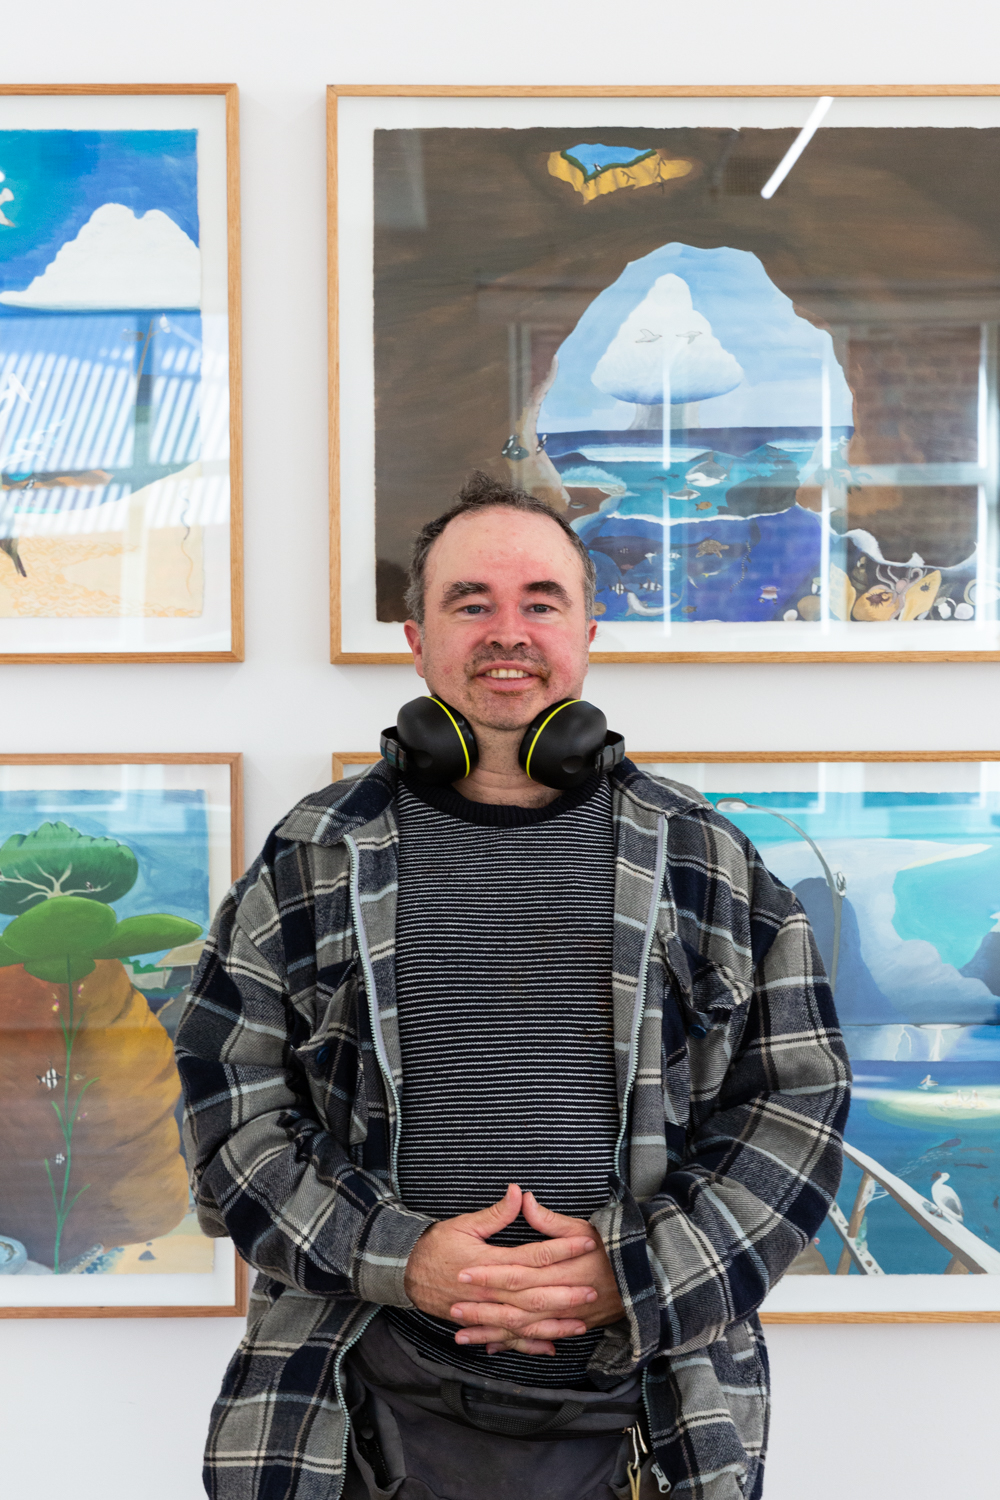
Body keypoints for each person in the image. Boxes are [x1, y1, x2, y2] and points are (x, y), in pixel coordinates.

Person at [176, 471, 850, 1500]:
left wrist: (628, 1271)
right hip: (348, 1410)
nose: (508, 632)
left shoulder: (706, 857)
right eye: (470, 603)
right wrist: (402, 1256)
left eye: (541, 602)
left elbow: (797, 1109)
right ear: (416, 638)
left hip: (651, 1421)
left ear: (587, 631)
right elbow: (231, 1118)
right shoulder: (312, 854)